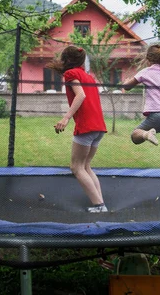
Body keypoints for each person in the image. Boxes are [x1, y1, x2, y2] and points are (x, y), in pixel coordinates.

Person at [47, 46, 108, 213]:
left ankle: (99, 206)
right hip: (99, 127)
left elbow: (81, 95)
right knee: (86, 166)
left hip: (87, 126)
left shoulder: (71, 74)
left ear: (66, 60)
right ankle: (101, 204)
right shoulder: (88, 76)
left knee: (76, 167)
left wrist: (66, 118)